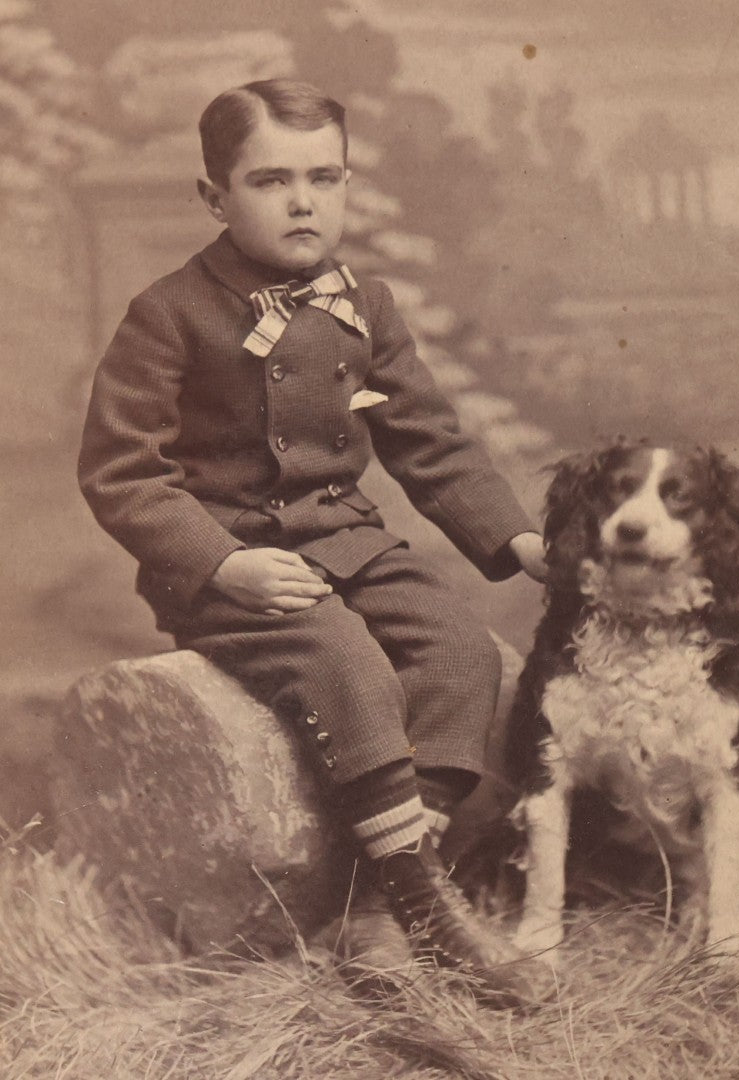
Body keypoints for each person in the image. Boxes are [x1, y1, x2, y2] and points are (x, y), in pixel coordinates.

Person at [78, 78, 552, 1007]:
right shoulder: (168, 312)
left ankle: (383, 904)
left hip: (346, 539)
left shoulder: (364, 301)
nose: (303, 202)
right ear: (215, 198)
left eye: (324, 178)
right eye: (270, 180)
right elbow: (120, 469)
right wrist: (220, 563)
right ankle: (430, 910)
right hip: (235, 563)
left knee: (459, 650)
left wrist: (519, 538)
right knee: (349, 664)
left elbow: (430, 439)